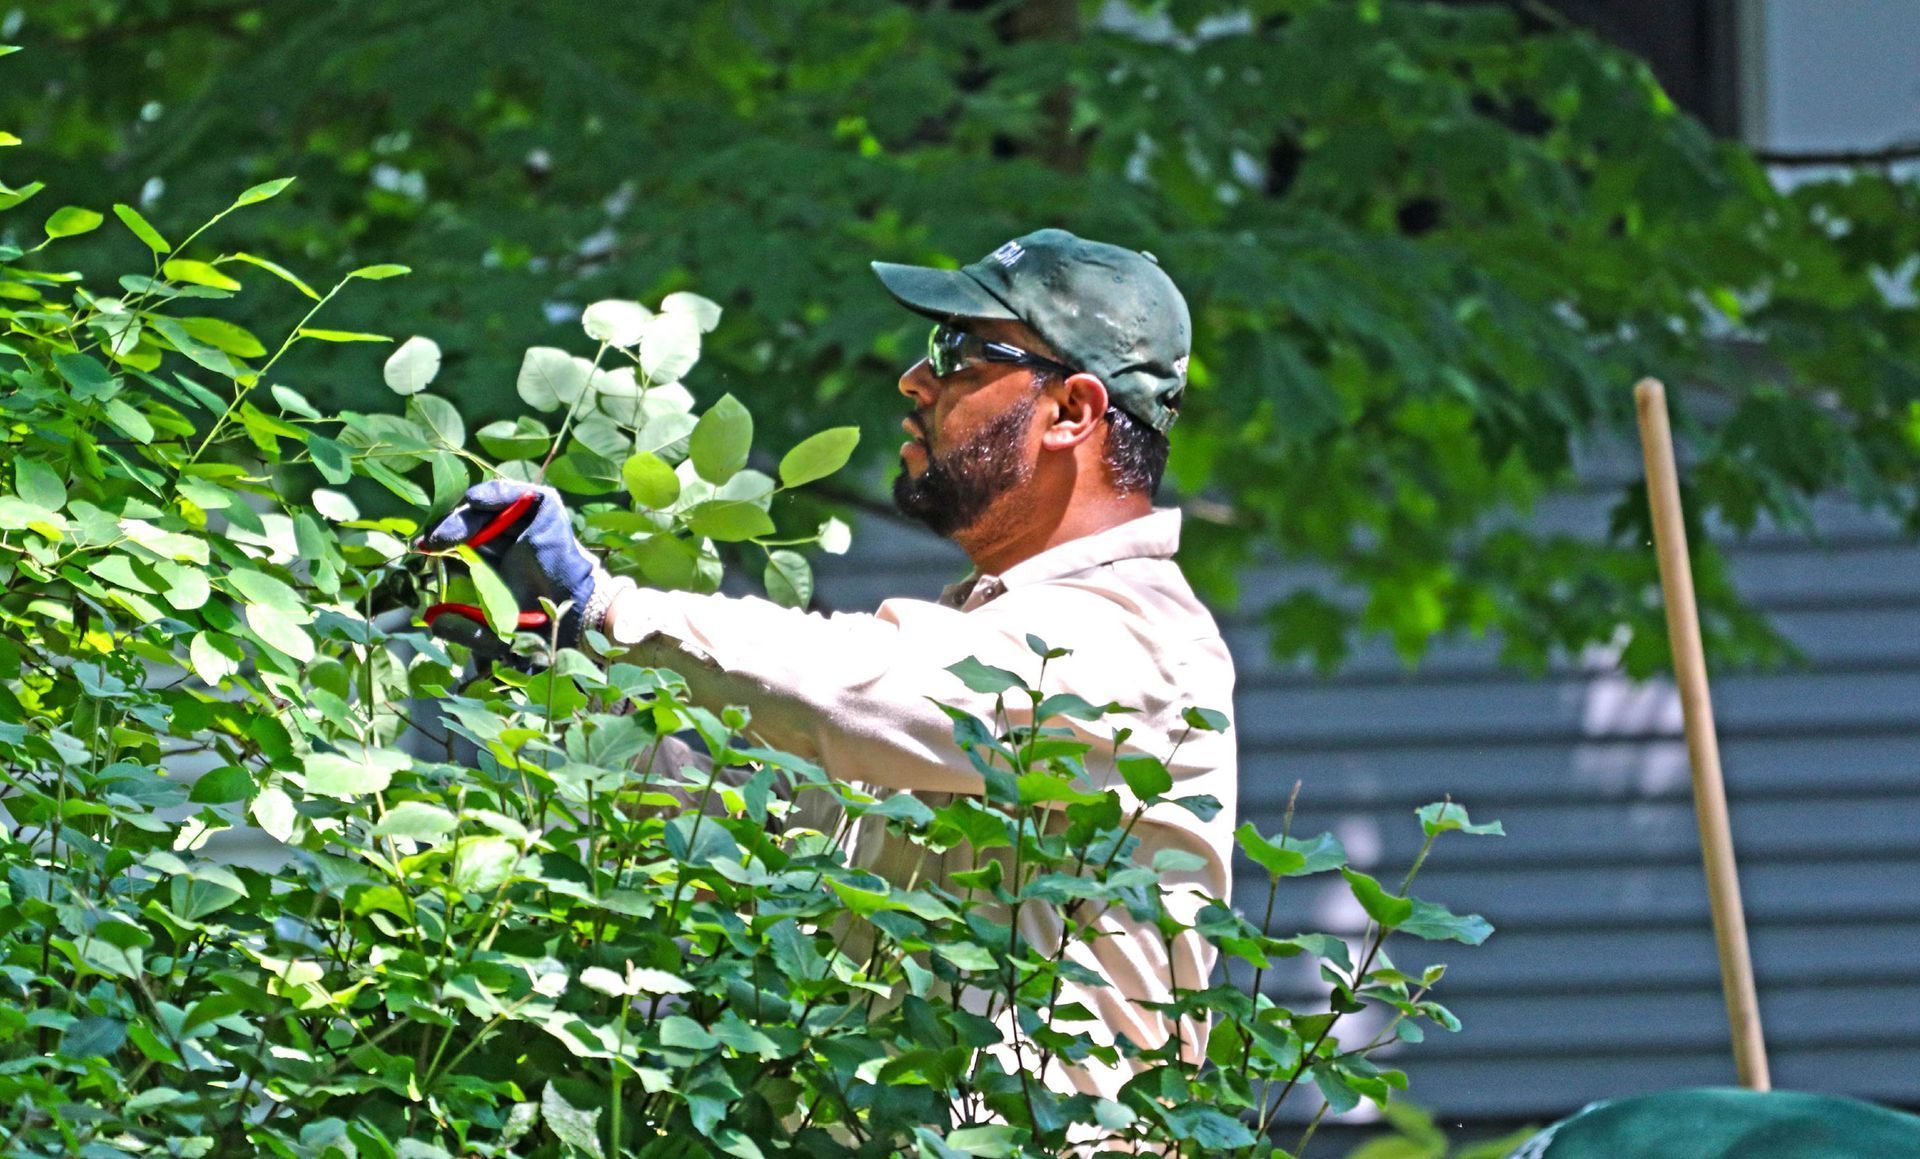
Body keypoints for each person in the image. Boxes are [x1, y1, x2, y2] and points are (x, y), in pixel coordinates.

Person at [423, 228, 1238, 1107]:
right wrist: (563, 671)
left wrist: (608, 607)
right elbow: (753, 814)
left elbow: (855, 687)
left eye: (961, 354)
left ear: (1073, 411)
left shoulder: (1135, 643)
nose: (915, 380)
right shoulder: (983, 640)